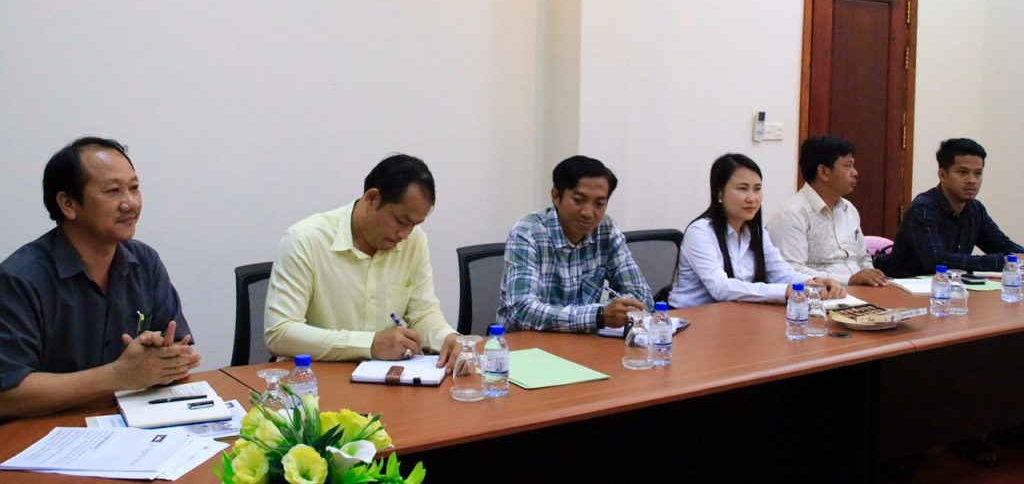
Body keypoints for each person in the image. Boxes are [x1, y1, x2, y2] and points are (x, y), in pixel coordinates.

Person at [0, 137, 198, 419]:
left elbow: (179, 348)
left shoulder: (145, 262)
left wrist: (167, 358)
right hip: (48, 432)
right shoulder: (20, 279)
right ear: (68, 203)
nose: (130, 203)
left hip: (134, 423)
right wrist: (118, 375)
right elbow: (7, 394)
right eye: (113, 191)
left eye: (134, 188)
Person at [265, 154, 459, 370]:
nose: (405, 234)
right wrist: (369, 344)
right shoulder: (305, 240)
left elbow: (422, 313)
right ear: (372, 198)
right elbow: (280, 333)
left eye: (414, 224)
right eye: (401, 221)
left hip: (385, 377)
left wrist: (448, 338)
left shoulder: (414, 240)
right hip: (315, 377)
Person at [497, 155, 654, 332]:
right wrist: (598, 315)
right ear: (556, 196)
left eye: (599, 204)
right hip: (527, 343)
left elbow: (642, 296)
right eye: (579, 200)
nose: (588, 213)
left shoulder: (607, 230)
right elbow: (522, 310)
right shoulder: (528, 232)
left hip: (584, 340)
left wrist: (609, 313)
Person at [669, 153, 845, 308]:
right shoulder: (700, 232)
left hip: (736, 315)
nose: (752, 198)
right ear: (719, 192)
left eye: (757, 189)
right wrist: (785, 291)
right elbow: (721, 288)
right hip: (693, 319)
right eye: (742, 188)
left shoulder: (757, 232)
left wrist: (813, 282)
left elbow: (781, 272)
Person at [882, 138, 1023, 277]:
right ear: (942, 175)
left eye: (978, 173)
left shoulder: (975, 209)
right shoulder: (923, 208)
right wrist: (1004, 261)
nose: (972, 180)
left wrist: (1018, 256)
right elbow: (937, 261)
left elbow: (1003, 245)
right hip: (905, 288)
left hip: (951, 287)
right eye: (963, 172)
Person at [767, 136, 887, 286]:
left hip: (859, 291)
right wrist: (849, 280)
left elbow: (863, 259)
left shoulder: (849, 209)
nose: (855, 172)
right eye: (847, 166)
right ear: (823, 172)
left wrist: (873, 279)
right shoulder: (791, 214)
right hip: (820, 294)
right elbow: (791, 271)